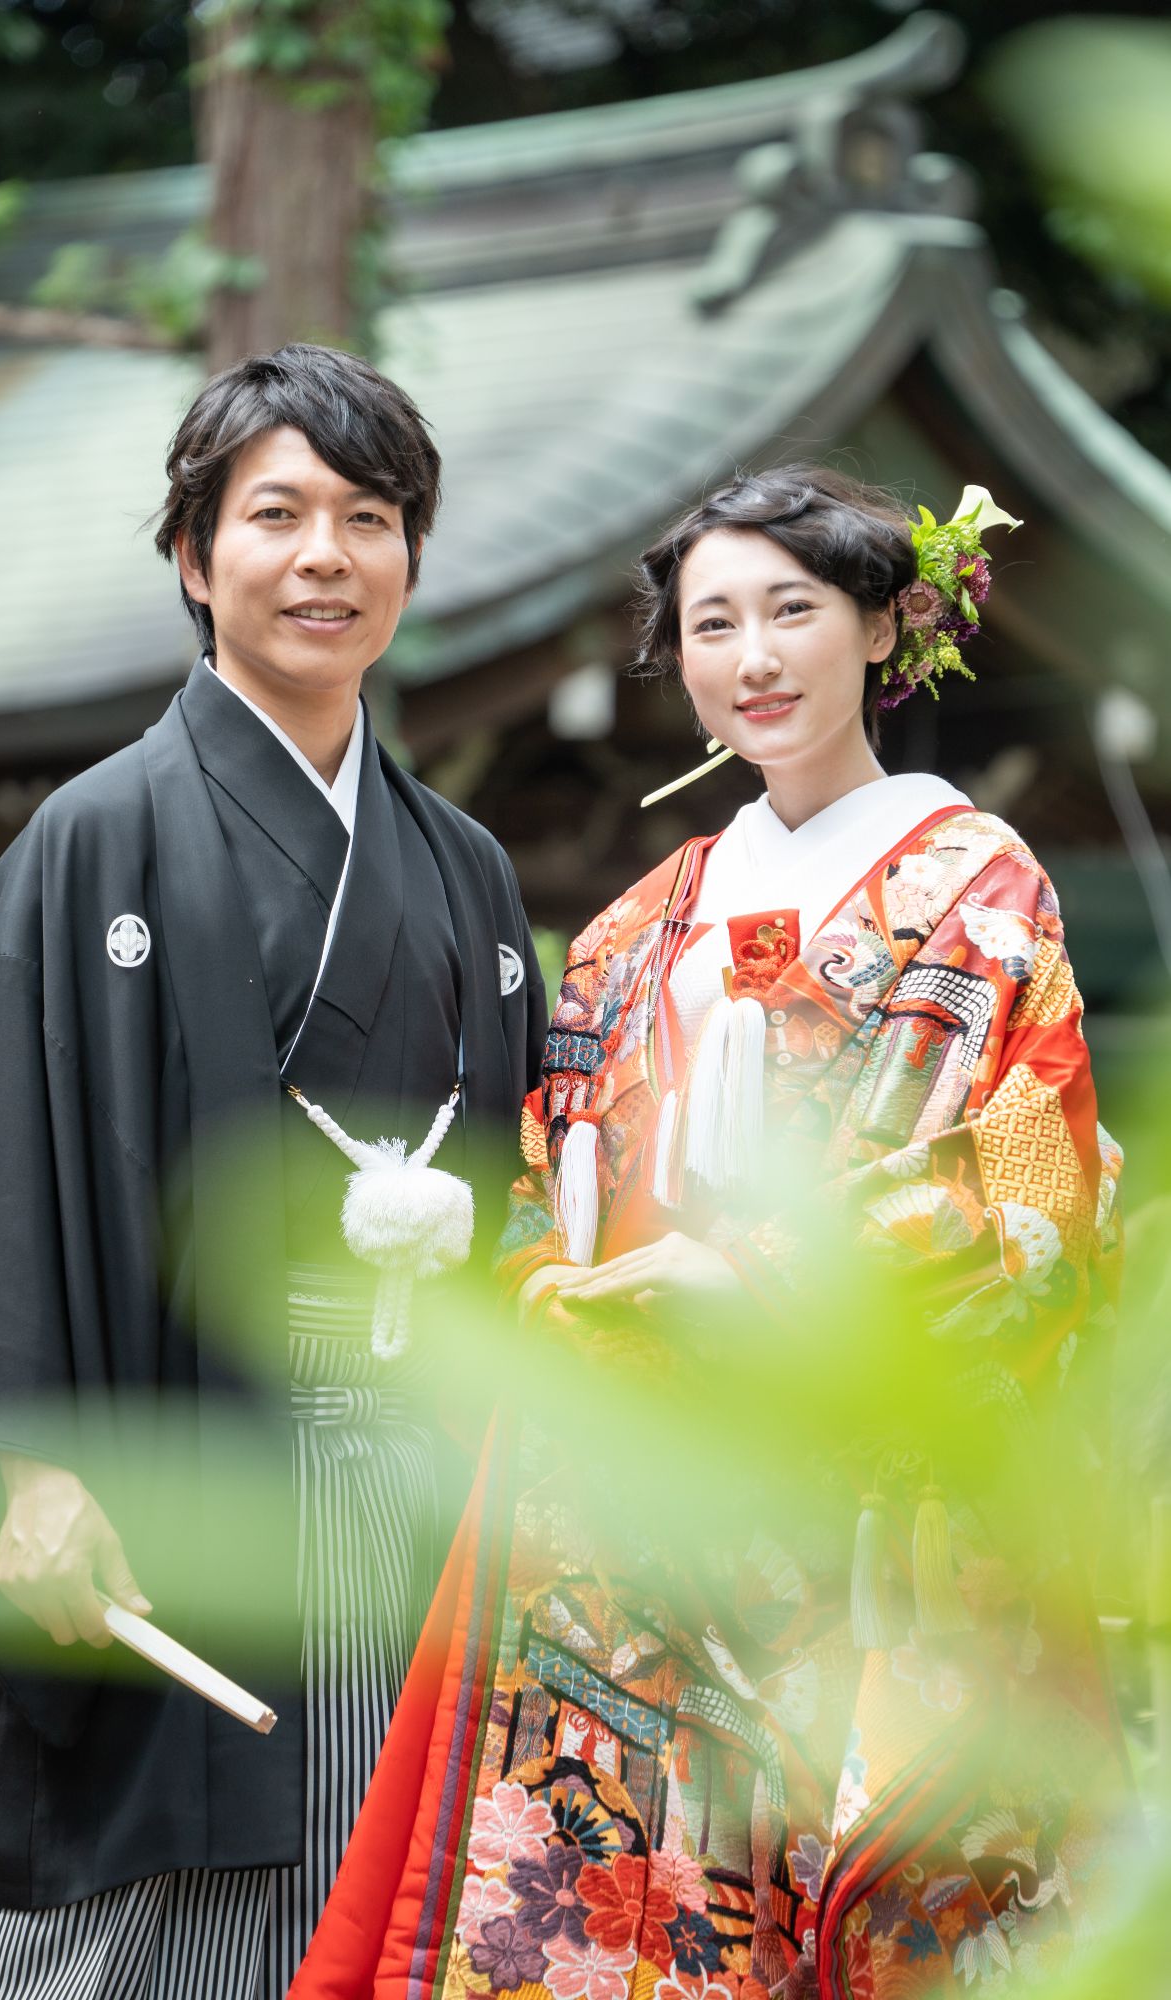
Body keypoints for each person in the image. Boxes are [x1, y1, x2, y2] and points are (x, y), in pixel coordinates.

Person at [290, 467, 1133, 1999]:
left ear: (885, 626)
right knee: (626, 1917)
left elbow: (1033, 1177)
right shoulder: (630, 924)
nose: (751, 657)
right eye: (710, 624)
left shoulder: (978, 887)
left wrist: (750, 1273)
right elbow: (557, 1181)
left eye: (790, 612)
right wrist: (546, 1280)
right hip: (632, 1503)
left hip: (861, 1490)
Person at [0, 343, 548, 1997]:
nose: (327, 556)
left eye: (370, 518)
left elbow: (527, 1192)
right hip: (173, 1469)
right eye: (278, 514)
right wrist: (24, 1470)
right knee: (172, 1929)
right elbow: (5, 1173)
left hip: (432, 1477)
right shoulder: (91, 839)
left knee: (407, 1912)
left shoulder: (463, 868)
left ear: (407, 557)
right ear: (194, 556)